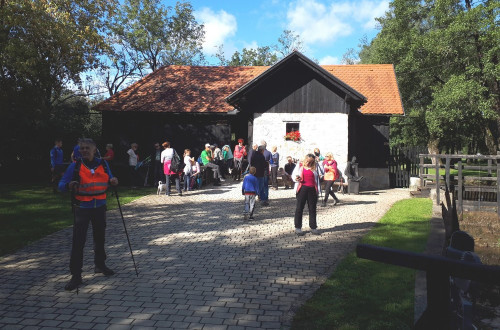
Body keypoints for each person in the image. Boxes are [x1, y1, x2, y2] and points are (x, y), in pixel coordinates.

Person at [58, 138, 118, 291]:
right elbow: (61, 184)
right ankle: (76, 276)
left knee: (100, 238)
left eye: (86, 148)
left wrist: (113, 180)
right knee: (79, 242)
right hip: (82, 208)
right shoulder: (75, 166)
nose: (83, 150)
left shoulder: (103, 164)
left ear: (94, 149)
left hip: (100, 206)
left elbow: (110, 177)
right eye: (81, 148)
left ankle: (100, 265)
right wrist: (68, 185)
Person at [292, 153, 324, 236]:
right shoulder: (299, 165)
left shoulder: (316, 167)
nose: (308, 163)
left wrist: (320, 175)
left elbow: (321, 174)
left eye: (310, 162)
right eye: (307, 161)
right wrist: (296, 178)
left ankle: (313, 227)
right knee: (299, 208)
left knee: (312, 208)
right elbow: (294, 175)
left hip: (312, 189)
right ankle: (298, 227)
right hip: (302, 188)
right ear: (305, 159)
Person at [259, 140, 273, 206]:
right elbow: (272, 162)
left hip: (260, 171)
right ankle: (266, 198)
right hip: (266, 171)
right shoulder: (269, 153)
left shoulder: (258, 153)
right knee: (266, 186)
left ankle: (261, 197)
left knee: (260, 185)